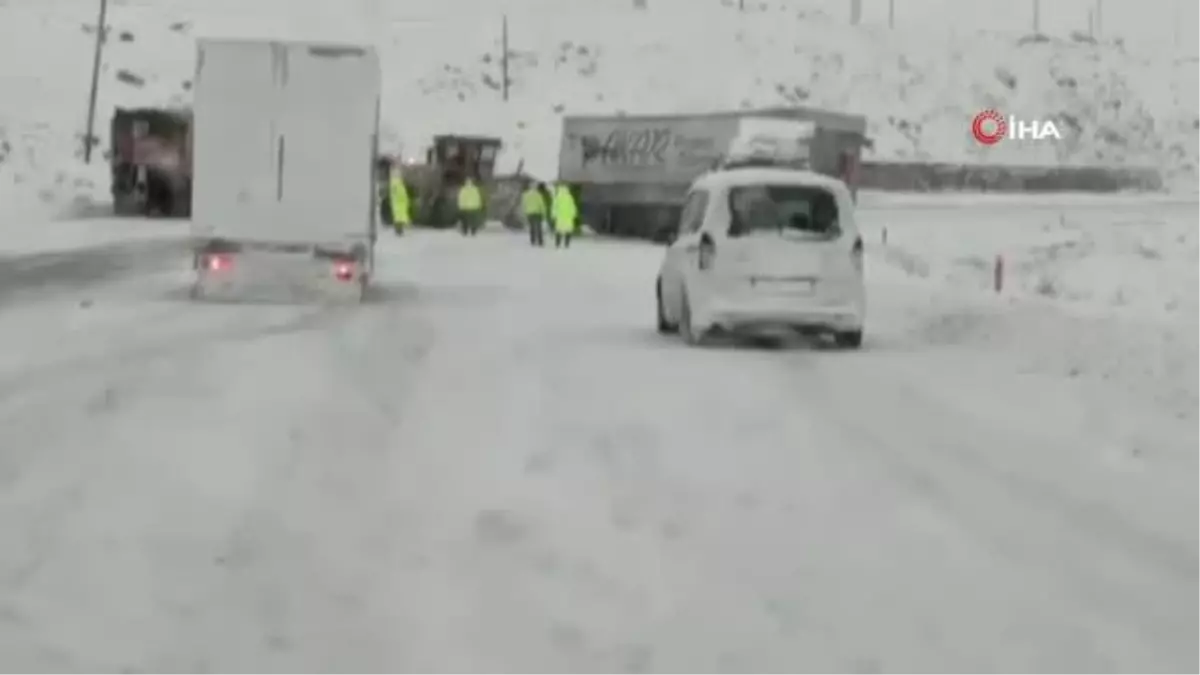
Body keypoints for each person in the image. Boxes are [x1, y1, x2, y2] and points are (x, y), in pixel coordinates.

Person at [520, 179, 547, 246]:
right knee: (538, 227)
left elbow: (523, 204)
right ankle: (540, 241)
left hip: (529, 213)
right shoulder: (538, 194)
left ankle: (532, 240)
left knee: (532, 227)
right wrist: (544, 213)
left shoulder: (525, 195)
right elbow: (541, 204)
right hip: (537, 212)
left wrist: (524, 212)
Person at [551, 183, 577, 248]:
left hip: (559, 217)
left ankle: (557, 243)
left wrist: (553, 215)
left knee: (558, 230)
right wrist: (574, 214)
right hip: (568, 217)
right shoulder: (569, 197)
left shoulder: (557, 197)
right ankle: (567, 244)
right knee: (568, 231)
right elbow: (573, 206)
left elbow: (554, 207)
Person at [389, 166, 410, 234]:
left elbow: (400, 193)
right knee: (399, 217)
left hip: (400, 203)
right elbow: (399, 193)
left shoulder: (397, 183)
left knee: (399, 217)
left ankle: (399, 229)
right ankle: (399, 230)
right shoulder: (397, 183)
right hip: (399, 202)